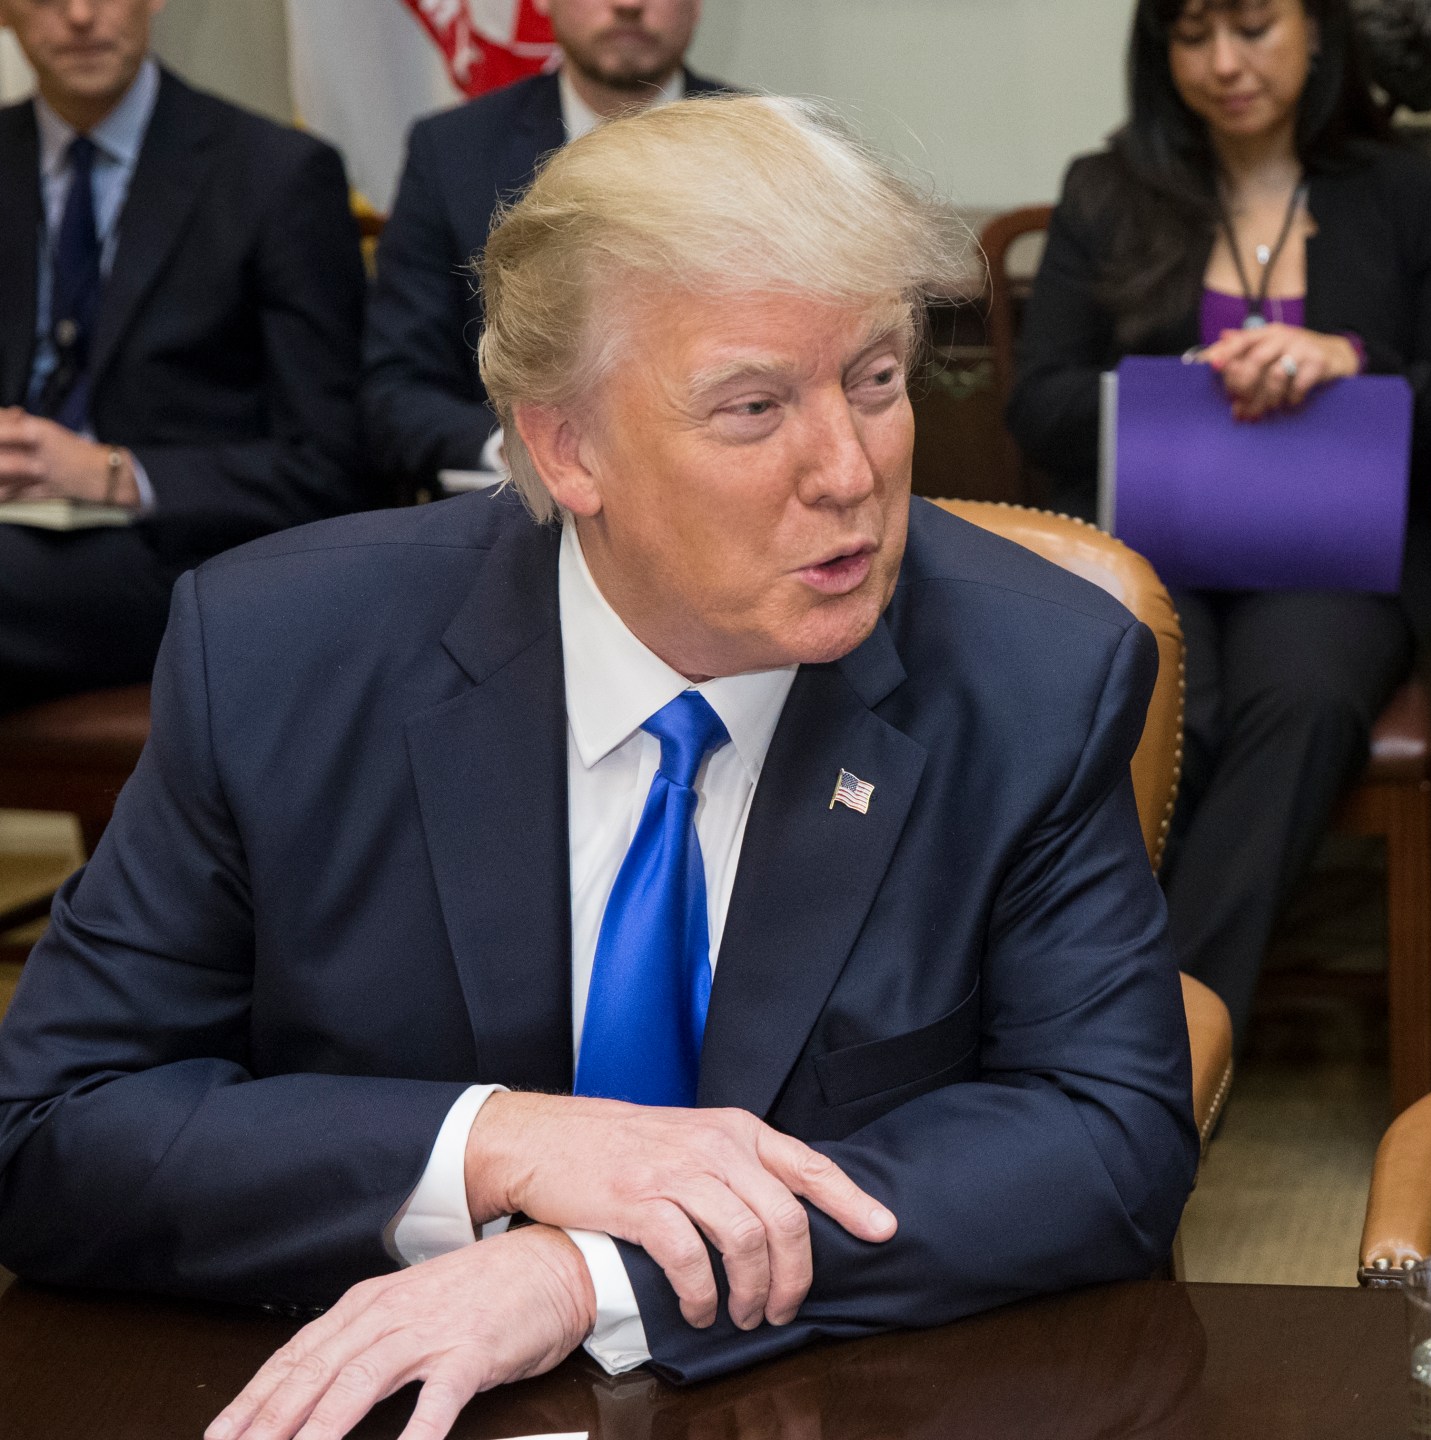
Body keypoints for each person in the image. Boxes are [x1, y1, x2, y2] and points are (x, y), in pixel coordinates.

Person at [0, 96, 1196, 1440]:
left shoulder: (1036, 675)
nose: (853, 470)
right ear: (567, 447)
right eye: (755, 407)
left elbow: (1104, 1142)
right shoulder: (279, 660)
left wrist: (591, 1271)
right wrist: (499, 1142)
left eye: (876, 378)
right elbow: (55, 1128)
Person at [1006, 0, 1431, 1034]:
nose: (1223, 63)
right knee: (1167, 695)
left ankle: (1143, 1042)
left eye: (1253, 28)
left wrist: (1352, 362)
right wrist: (1177, 385)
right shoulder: (1107, 191)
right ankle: (1141, 1043)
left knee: (1304, 699)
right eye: (1192, 37)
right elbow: (1039, 408)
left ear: (1318, 31)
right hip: (1149, 533)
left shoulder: (1403, 192)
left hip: (1339, 552)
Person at [0, 0, 366, 711]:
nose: (80, 17)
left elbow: (332, 466)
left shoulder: (276, 175)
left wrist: (116, 474)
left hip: (181, 548)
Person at [364, 0, 731, 500]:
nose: (628, 6)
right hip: (519, 510)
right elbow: (397, 390)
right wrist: (524, 452)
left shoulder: (772, 144)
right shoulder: (452, 151)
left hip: (723, 488)